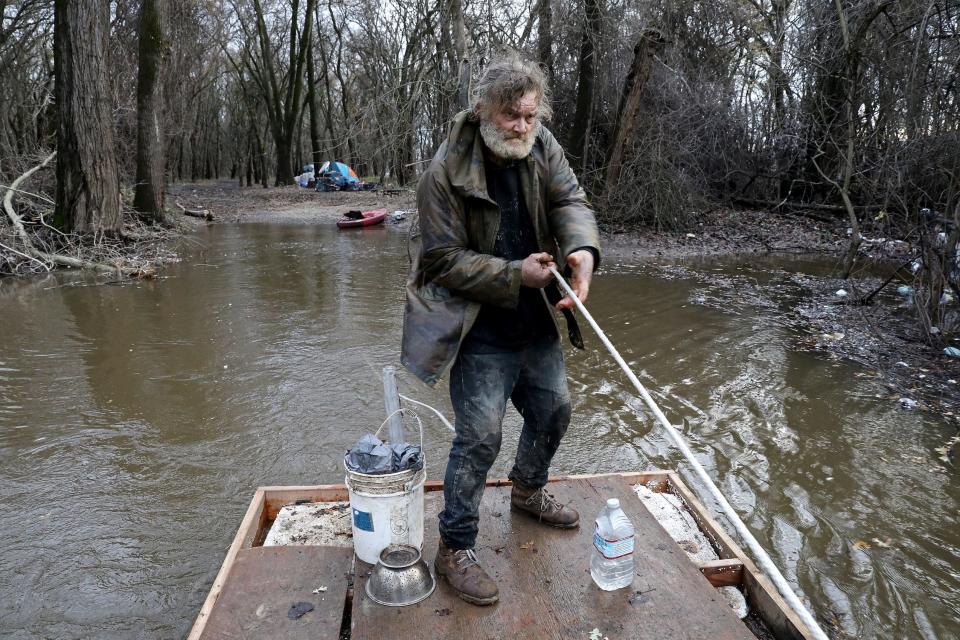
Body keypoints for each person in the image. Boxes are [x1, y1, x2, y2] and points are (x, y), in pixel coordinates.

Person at [400, 53, 600, 606]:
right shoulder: (443, 173)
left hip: (535, 318)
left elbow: (569, 199)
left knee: (554, 410)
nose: (522, 127)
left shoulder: (542, 144)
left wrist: (581, 253)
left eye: (530, 116)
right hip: (477, 327)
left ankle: (528, 489)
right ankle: (454, 547)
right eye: (512, 115)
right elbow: (441, 261)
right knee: (479, 438)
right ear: (484, 109)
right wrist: (516, 273)